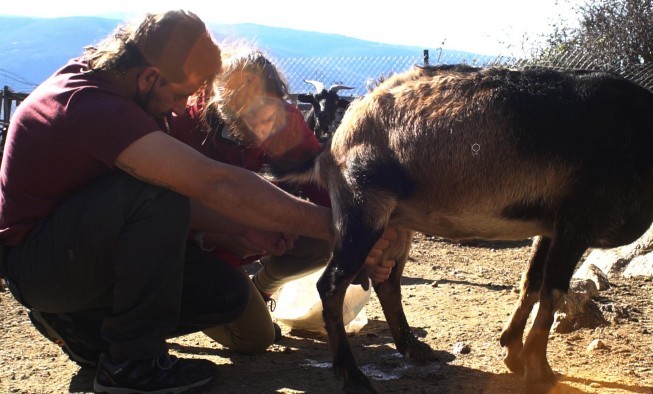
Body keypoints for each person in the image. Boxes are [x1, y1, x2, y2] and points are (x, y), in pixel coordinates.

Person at [0, 10, 395, 394]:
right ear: (150, 76)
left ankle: (84, 331)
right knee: (157, 193)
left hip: (82, 253)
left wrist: (240, 227)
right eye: (180, 94)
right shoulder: (93, 105)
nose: (179, 107)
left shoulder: (128, 91)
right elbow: (213, 184)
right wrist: (341, 228)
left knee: (225, 292)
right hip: (40, 267)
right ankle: (132, 366)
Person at [168, 48, 395, 351]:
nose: (266, 131)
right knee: (256, 338)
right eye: (253, 121)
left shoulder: (286, 121)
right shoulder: (182, 127)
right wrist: (217, 236)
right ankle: (143, 326)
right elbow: (161, 211)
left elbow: (324, 189)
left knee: (320, 240)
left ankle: (260, 290)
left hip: (254, 236)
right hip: (193, 250)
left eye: (271, 114)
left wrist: (362, 250)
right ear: (225, 115)